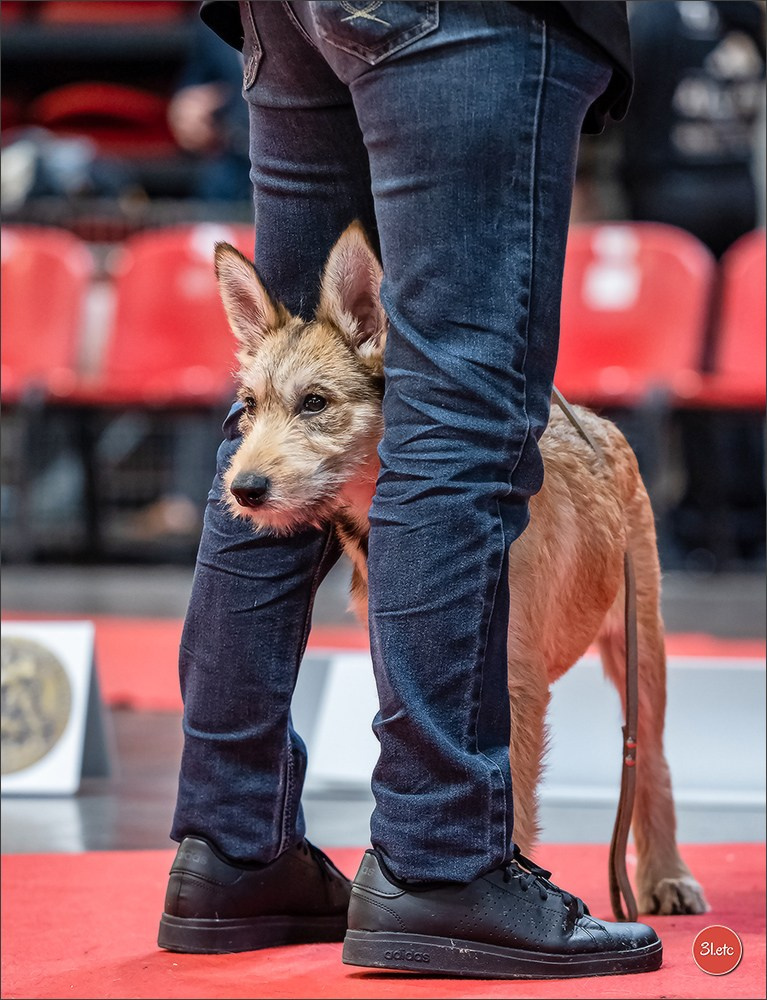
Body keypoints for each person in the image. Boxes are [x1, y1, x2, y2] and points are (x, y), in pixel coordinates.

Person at [157, 1, 663, 979]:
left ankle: (230, 845)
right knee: (455, 416)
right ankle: (444, 863)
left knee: (279, 404)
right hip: (465, 18)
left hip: (285, 19)